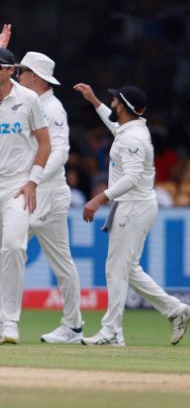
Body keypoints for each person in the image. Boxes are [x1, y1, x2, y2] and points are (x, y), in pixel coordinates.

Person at [0, 50, 84, 344]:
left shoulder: (39, 103)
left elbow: (54, 148)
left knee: (17, 248)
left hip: (32, 188)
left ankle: (20, 322)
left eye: (23, 70)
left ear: (20, 72)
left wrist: (33, 181)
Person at [74, 83, 190, 346]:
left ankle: (112, 331)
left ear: (124, 106)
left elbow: (134, 175)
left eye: (115, 101)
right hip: (134, 205)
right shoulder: (130, 130)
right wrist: (94, 101)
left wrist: (100, 197)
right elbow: (115, 127)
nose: (112, 103)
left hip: (133, 206)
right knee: (129, 269)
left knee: (116, 269)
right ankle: (175, 309)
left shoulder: (133, 138)